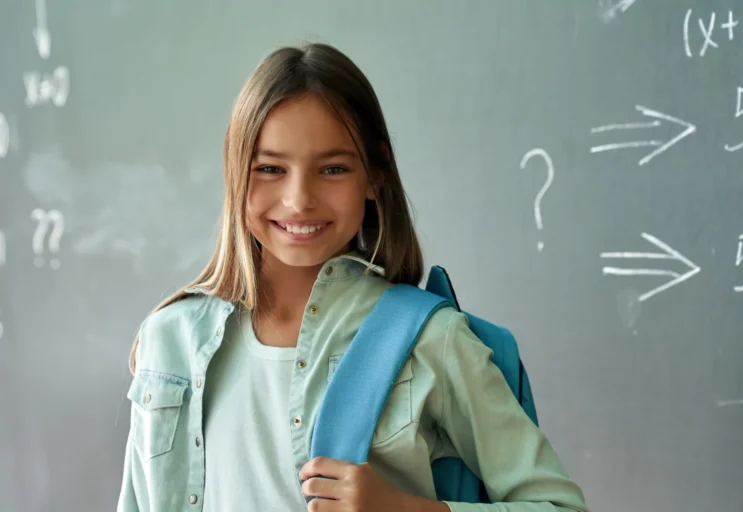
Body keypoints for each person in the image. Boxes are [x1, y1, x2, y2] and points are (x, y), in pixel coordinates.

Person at [117, 42, 589, 512]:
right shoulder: (167, 342)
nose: (299, 199)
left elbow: (559, 506)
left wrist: (404, 509)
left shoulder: (431, 340)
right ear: (236, 169)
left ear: (375, 171)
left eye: (333, 168)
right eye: (270, 168)